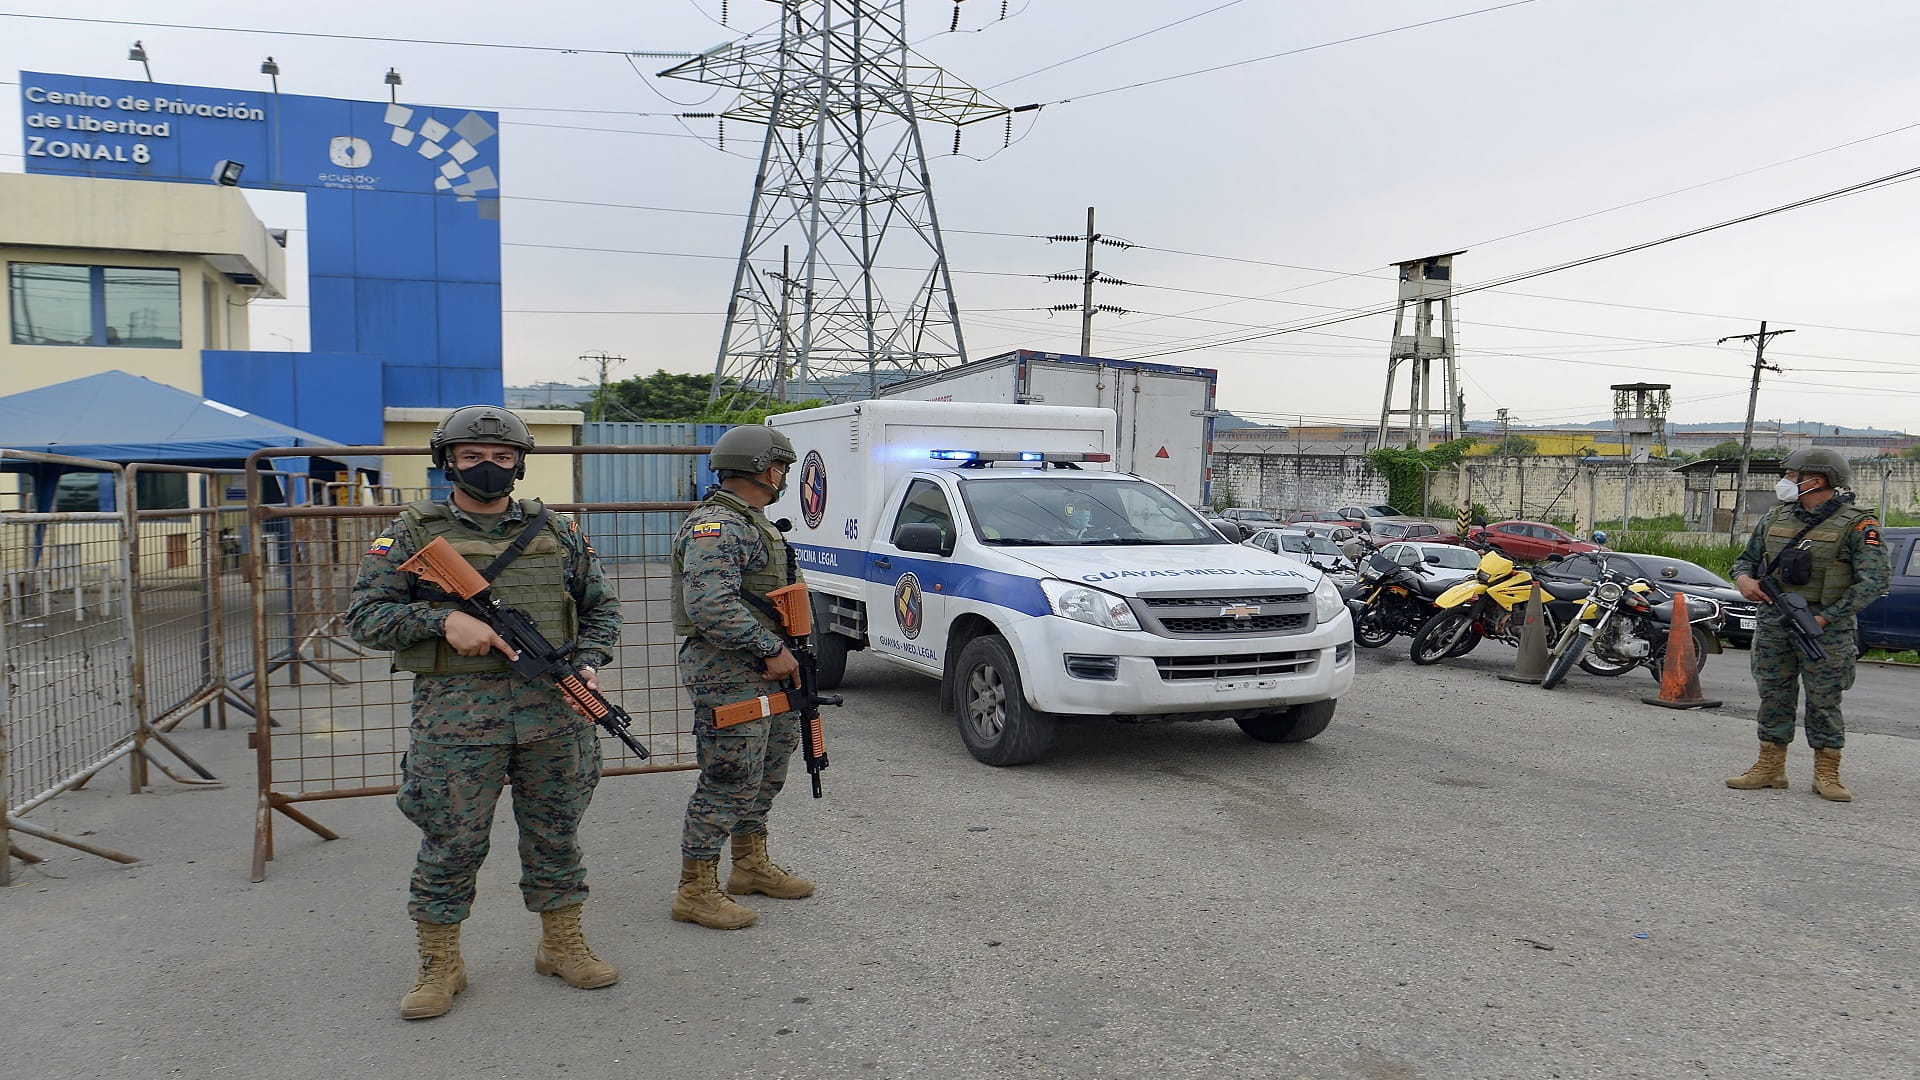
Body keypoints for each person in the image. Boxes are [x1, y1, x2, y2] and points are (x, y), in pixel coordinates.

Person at [347, 405, 623, 1019]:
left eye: (502, 458)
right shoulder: (412, 533)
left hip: (553, 714)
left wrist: (589, 660)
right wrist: (442, 620)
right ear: (447, 460)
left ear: (520, 464)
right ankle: (440, 962)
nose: (489, 468)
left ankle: (561, 943)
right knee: (451, 841)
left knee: (556, 833)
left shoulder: (558, 531)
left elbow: (601, 607)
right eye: (473, 457)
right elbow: (364, 616)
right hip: (456, 719)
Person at [670, 424, 813, 930]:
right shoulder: (719, 525)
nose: (785, 476)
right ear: (763, 468)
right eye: (782, 467)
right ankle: (695, 889)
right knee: (729, 776)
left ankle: (749, 865)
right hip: (728, 671)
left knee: (768, 768)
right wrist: (770, 647)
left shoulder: (754, 522)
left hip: (767, 670)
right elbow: (709, 604)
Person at [1725, 447, 1889, 802]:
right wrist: (1743, 581)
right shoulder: (1776, 516)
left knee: (1824, 699)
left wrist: (1827, 616)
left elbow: (1874, 581)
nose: (1785, 481)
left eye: (1791, 475)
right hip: (1775, 621)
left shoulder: (1858, 523)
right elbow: (1744, 561)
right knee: (1773, 693)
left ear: (1815, 480)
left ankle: (1826, 773)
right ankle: (1770, 767)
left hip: (1825, 627)